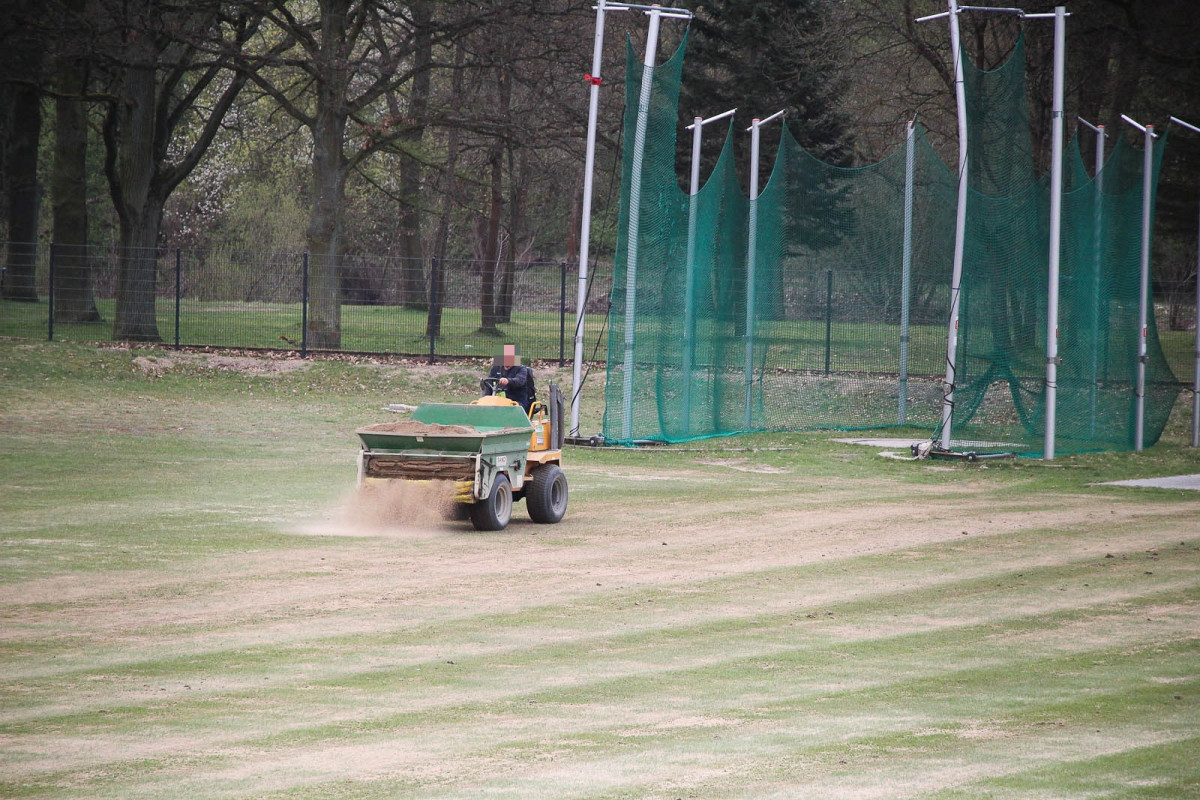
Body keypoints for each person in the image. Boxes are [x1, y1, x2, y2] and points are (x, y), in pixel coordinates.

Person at [481, 344, 534, 413]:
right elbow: (489, 383)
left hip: (516, 402)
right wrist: (485, 399)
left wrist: (508, 381)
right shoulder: (496, 368)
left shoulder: (521, 369)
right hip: (498, 402)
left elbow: (520, 381)